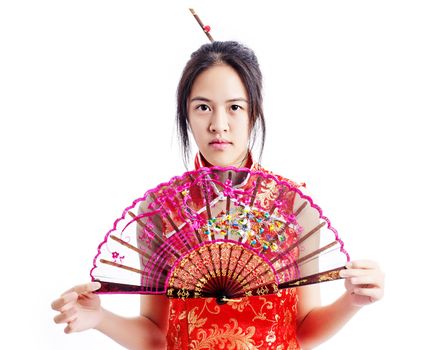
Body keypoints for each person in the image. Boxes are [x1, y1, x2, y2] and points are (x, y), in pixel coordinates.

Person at [51, 41, 385, 350]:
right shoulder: (160, 211)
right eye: (203, 108)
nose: (219, 124)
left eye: (235, 107)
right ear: (186, 113)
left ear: (254, 111)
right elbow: (156, 334)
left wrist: (351, 302)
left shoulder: (293, 205)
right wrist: (99, 319)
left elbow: (305, 328)